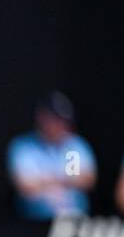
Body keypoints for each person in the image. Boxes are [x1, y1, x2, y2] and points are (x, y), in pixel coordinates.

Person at [7, 91, 97, 219]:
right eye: (54, 119)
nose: (60, 125)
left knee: (72, 205)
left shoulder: (73, 145)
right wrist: (59, 184)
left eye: (63, 120)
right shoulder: (24, 146)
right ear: (41, 118)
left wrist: (49, 183)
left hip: (73, 214)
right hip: (36, 220)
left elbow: (85, 180)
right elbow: (25, 186)